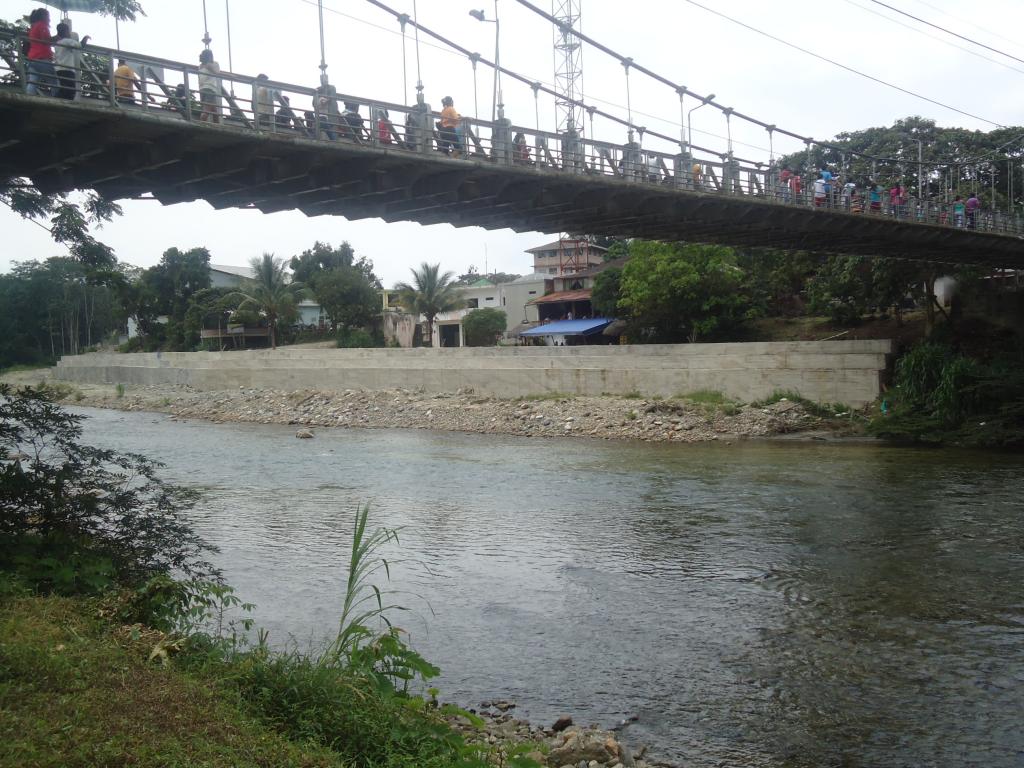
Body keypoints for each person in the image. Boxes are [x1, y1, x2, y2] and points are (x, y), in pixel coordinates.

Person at [26, 8, 59, 96]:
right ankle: (58, 99)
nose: (49, 19)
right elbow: (46, 40)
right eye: (48, 16)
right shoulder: (42, 25)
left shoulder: (34, 26)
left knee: (33, 82)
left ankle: (29, 98)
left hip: (32, 58)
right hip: (42, 58)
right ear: (43, 16)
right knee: (54, 82)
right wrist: (57, 37)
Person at [53, 22, 88, 100]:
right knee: (71, 90)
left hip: (59, 69)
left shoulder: (57, 43)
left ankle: (58, 100)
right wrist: (85, 38)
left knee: (64, 89)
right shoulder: (67, 41)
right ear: (65, 32)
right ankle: (57, 100)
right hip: (67, 70)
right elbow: (80, 45)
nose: (69, 33)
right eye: (68, 31)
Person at [198, 49, 222, 123]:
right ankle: (200, 125)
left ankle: (217, 126)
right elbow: (217, 73)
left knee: (214, 109)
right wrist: (230, 75)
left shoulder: (200, 66)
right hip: (210, 89)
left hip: (202, 89)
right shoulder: (211, 64)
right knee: (206, 110)